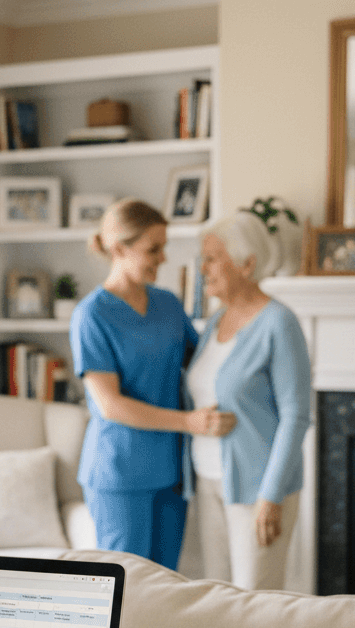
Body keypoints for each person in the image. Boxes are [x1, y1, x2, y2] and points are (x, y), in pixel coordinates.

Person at [70, 197, 235, 569]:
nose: (163, 258)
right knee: (128, 590)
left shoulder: (168, 304)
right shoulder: (91, 315)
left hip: (170, 471)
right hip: (120, 474)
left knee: (164, 585)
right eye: (153, 249)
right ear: (118, 249)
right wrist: (189, 423)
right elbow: (110, 405)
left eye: (164, 247)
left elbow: (203, 364)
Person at [183, 211, 312, 590]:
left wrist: (270, 497)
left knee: (255, 607)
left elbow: (296, 416)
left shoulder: (279, 322)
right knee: (218, 601)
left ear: (247, 264)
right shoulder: (216, 321)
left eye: (212, 257)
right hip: (209, 480)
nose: (202, 268)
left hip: (257, 490)